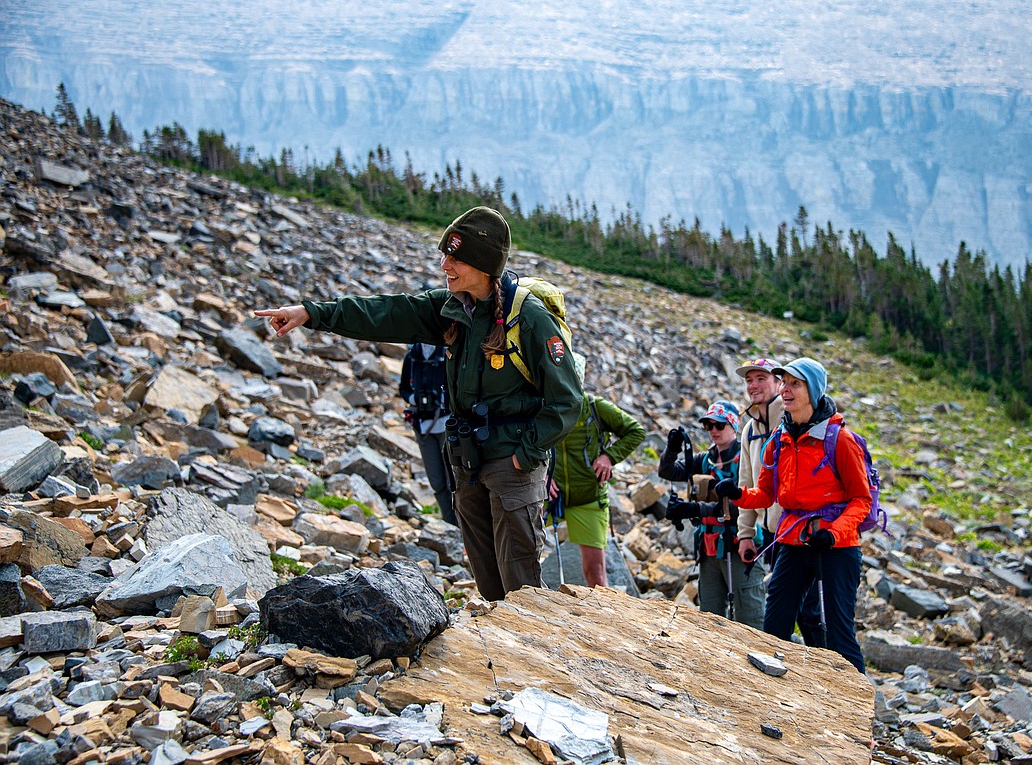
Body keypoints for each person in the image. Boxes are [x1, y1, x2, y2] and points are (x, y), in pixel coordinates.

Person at [255, 206, 583, 601]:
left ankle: (533, 659)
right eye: (444, 254)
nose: (444, 264)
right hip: (468, 463)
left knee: (522, 588)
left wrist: (525, 454)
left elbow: (567, 401)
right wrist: (311, 313)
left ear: (483, 265)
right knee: (490, 586)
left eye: (455, 258)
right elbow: (384, 312)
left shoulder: (529, 319)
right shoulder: (448, 307)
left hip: (512, 467)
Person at [715, 357, 869, 672]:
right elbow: (767, 494)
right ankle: (773, 700)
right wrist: (739, 495)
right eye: (784, 383)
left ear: (812, 391)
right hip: (793, 541)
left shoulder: (841, 440)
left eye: (794, 384)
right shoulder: (779, 440)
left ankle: (858, 708)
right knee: (774, 626)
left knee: (840, 633)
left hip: (837, 547)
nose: (785, 390)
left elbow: (861, 500)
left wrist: (834, 533)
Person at [735, 356, 824, 648]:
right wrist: (746, 534)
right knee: (785, 610)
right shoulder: (749, 429)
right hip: (774, 532)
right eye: (749, 380)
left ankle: (830, 674)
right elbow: (746, 483)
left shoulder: (792, 419)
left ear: (777, 383)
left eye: (761, 378)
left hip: (805, 531)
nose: (753, 385)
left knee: (808, 611)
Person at [658, 401, 764, 629]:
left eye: (719, 425)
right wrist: (672, 449)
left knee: (749, 618)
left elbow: (748, 505)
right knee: (709, 619)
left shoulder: (745, 459)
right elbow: (667, 471)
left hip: (739, 545)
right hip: (709, 547)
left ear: (733, 426)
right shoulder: (705, 460)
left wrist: (696, 510)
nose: (713, 430)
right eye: (708, 425)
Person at [547, 358, 646, 587]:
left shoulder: (594, 407)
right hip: (548, 495)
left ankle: (602, 619)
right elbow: (530, 440)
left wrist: (609, 457)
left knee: (596, 575)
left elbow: (636, 431)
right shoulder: (544, 407)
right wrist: (541, 473)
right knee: (521, 558)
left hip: (588, 497)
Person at [398, 342, 456, 525]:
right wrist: (414, 398)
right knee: (437, 482)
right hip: (423, 425)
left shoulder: (446, 355)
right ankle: (450, 524)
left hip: (446, 423)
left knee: (452, 481)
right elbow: (404, 388)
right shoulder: (412, 356)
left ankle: (464, 526)